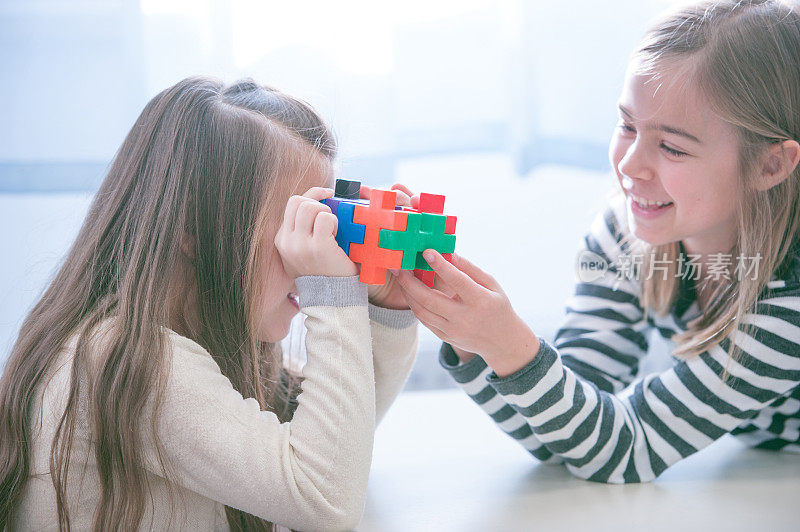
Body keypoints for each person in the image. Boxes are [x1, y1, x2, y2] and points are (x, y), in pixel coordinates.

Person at [395, 0, 800, 483]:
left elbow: (626, 451)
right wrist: (471, 340)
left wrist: (509, 347)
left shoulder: (789, 309)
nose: (629, 165)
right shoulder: (630, 231)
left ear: (768, 166)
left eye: (671, 146)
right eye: (627, 125)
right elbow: (569, 426)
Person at [0, 77, 418, 530]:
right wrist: (331, 294)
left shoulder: (197, 338)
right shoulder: (126, 358)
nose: (309, 254)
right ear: (193, 227)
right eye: (293, 226)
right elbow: (324, 498)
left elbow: (337, 448)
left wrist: (385, 311)